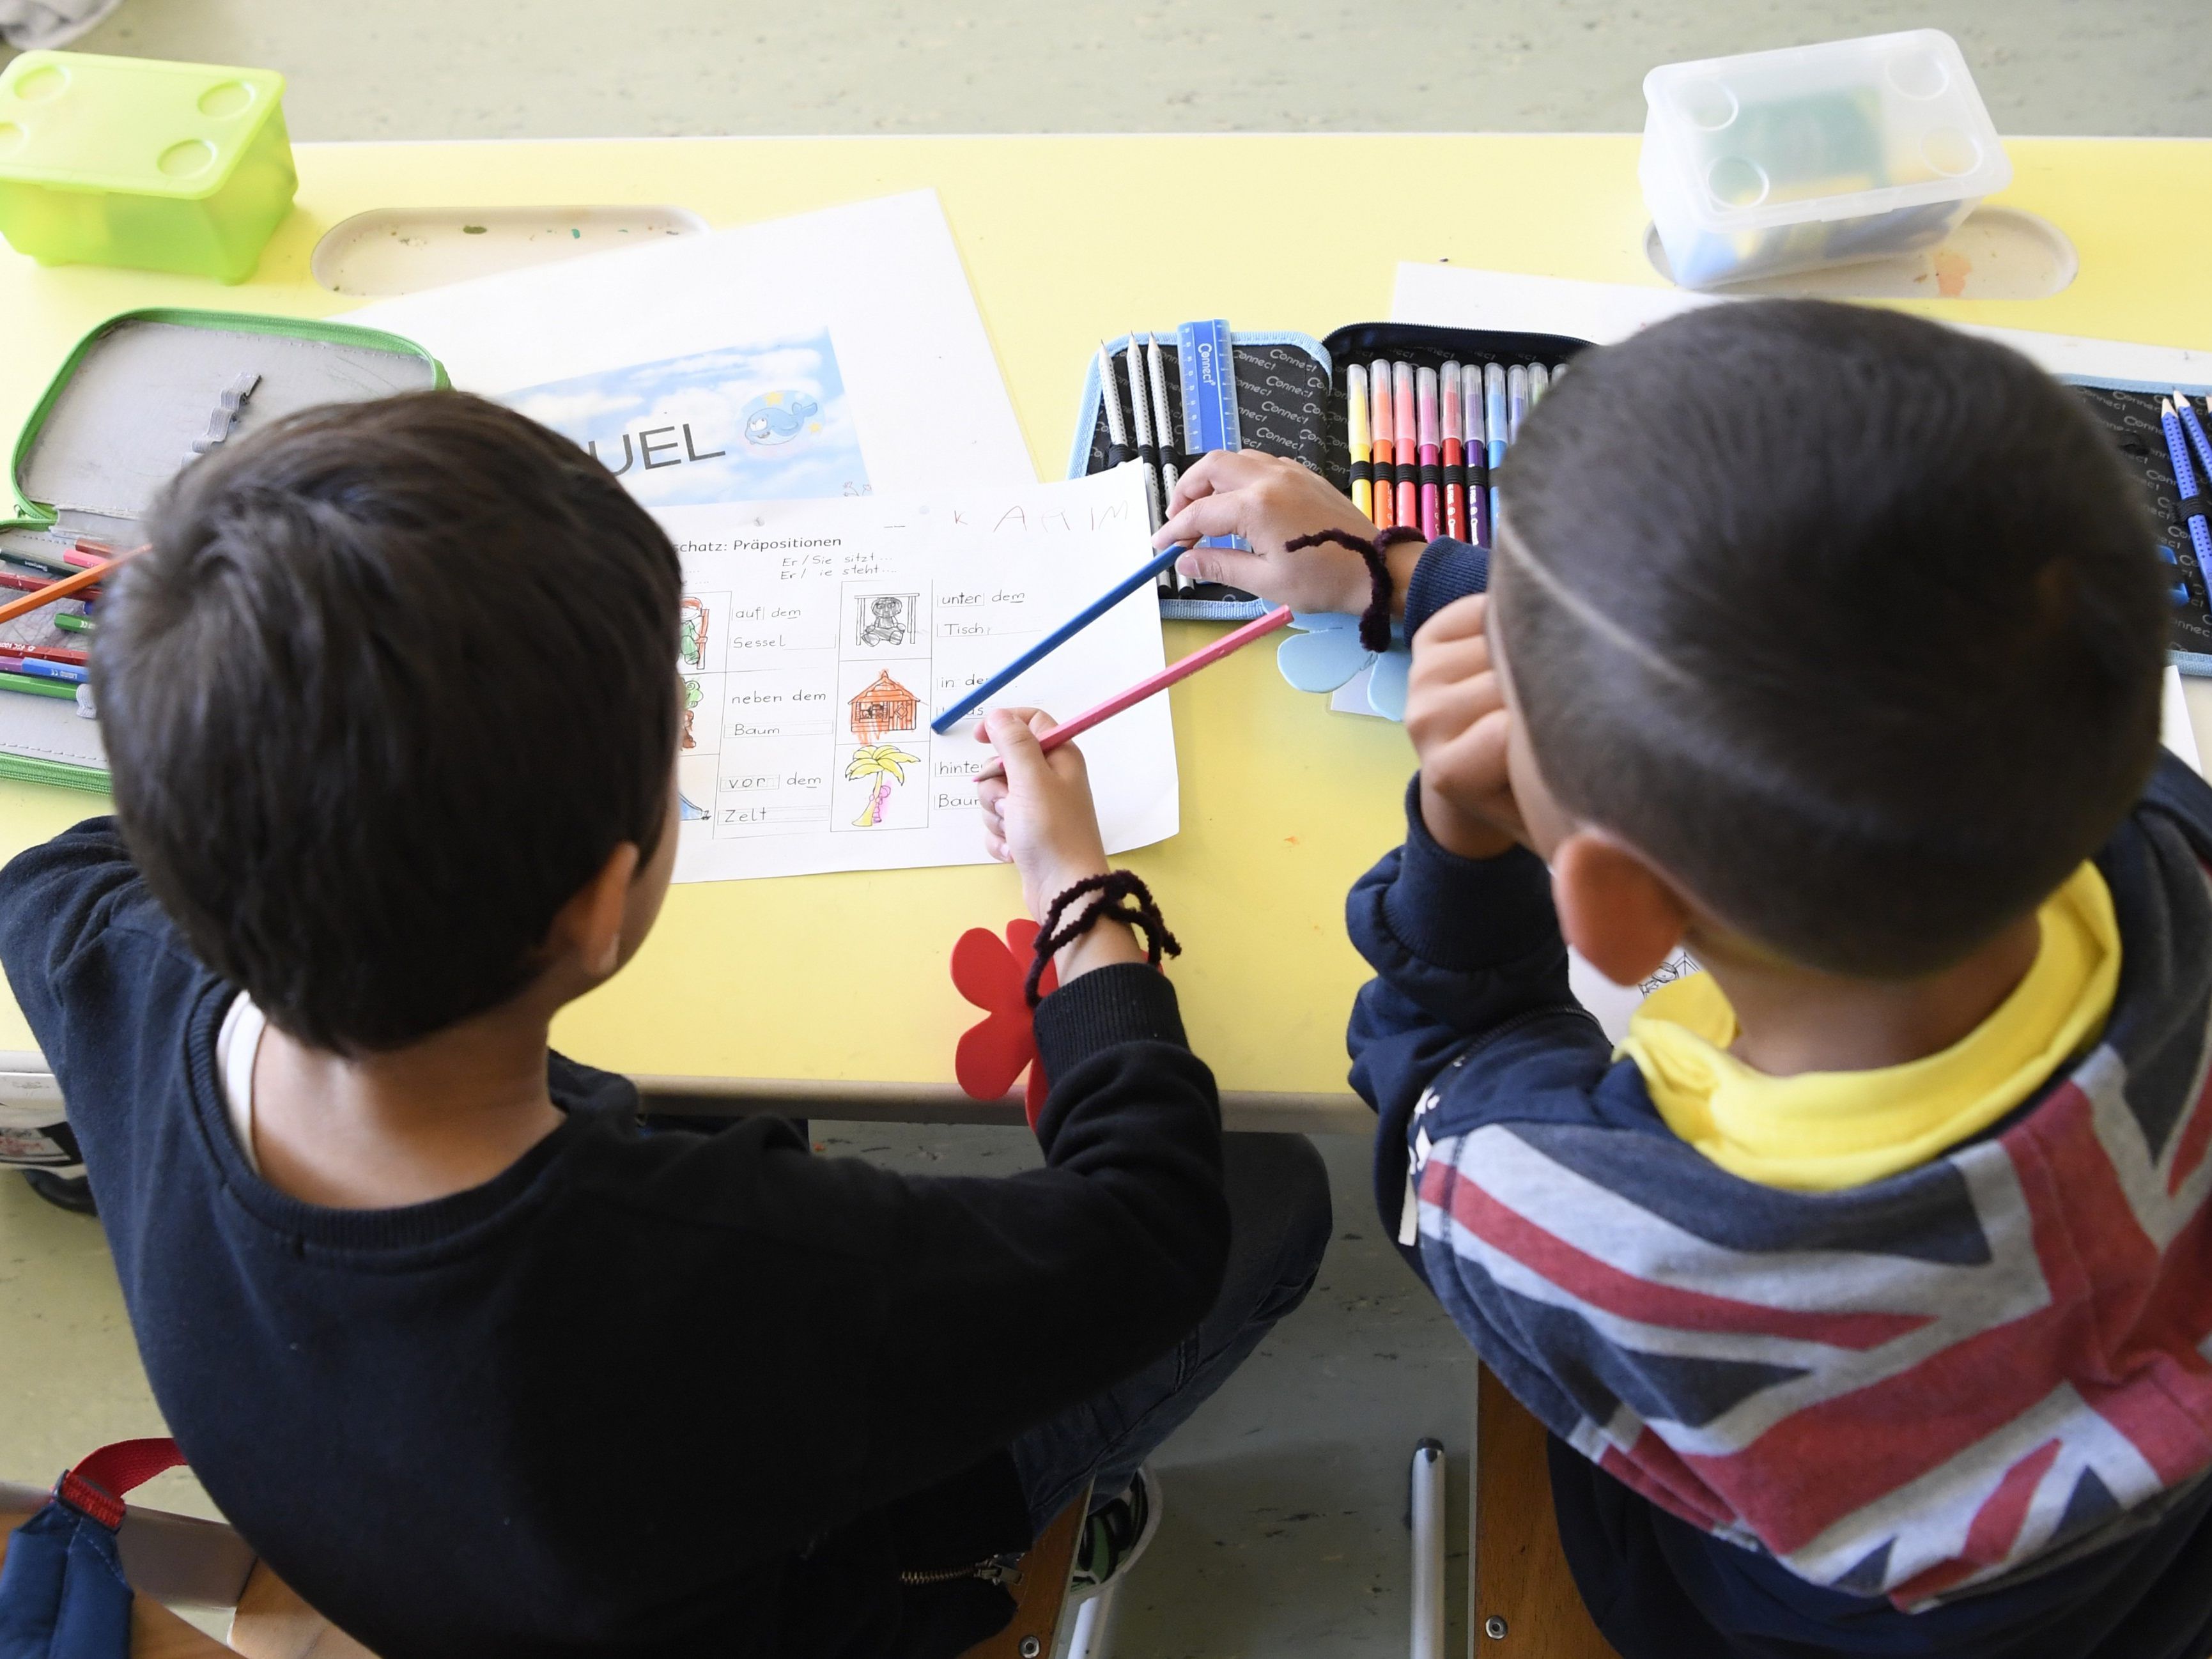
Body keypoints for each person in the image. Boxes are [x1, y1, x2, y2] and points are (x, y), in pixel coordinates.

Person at [0, 392, 1330, 1659]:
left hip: (435, 1540)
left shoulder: (118, 968)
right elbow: (1154, 1225)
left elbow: (54, 872)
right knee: (1274, 1184)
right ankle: (1020, 1539)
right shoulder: (716, 1268)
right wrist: (1079, 893)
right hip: (802, 1586)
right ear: (595, 907)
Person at [1154, 300, 2212, 1659]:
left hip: (1767, 1605)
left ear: (1598, 905)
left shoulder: (1608, 1225)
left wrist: (1458, 841)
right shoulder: (2165, 840)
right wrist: (1408, 572)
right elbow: (1833, 672)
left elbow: (1438, 1089)